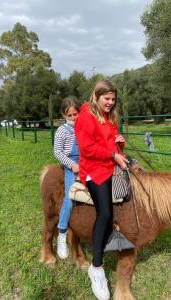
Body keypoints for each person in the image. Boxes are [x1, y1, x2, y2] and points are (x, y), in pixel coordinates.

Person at [75, 79, 128, 300]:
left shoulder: (110, 117)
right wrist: (112, 155)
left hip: (110, 163)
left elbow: (110, 144)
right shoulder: (86, 117)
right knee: (105, 213)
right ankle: (96, 269)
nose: (110, 102)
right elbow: (87, 149)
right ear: (96, 96)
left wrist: (119, 145)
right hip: (94, 169)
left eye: (113, 99)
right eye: (107, 98)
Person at [54, 97, 80, 259]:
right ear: (64, 115)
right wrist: (71, 165)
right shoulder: (62, 131)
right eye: (69, 115)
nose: (72, 118)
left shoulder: (83, 127)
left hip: (87, 163)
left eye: (75, 114)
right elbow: (58, 152)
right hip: (72, 165)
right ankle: (62, 233)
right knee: (70, 198)